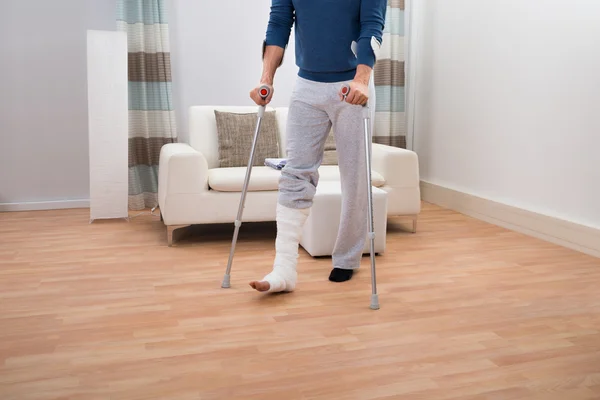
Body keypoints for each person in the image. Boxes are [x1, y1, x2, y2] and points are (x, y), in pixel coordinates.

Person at [249, 0, 387, 293]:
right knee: (295, 172)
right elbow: (278, 24)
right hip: (307, 84)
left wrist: (362, 79)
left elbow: (371, 26)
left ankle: (347, 259)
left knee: (355, 176)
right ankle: (284, 269)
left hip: (352, 83)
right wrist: (266, 79)